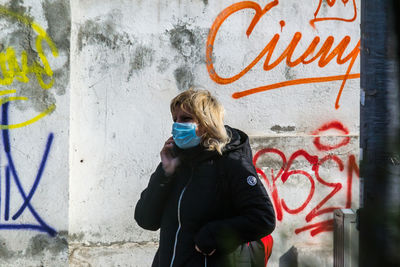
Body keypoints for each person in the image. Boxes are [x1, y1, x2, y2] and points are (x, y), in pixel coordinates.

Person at [135, 89, 275, 267]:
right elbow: (146, 220)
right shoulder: (176, 161)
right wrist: (164, 173)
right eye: (175, 119)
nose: (177, 125)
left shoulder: (231, 163)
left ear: (207, 124)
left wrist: (211, 235)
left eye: (185, 119)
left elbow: (263, 218)